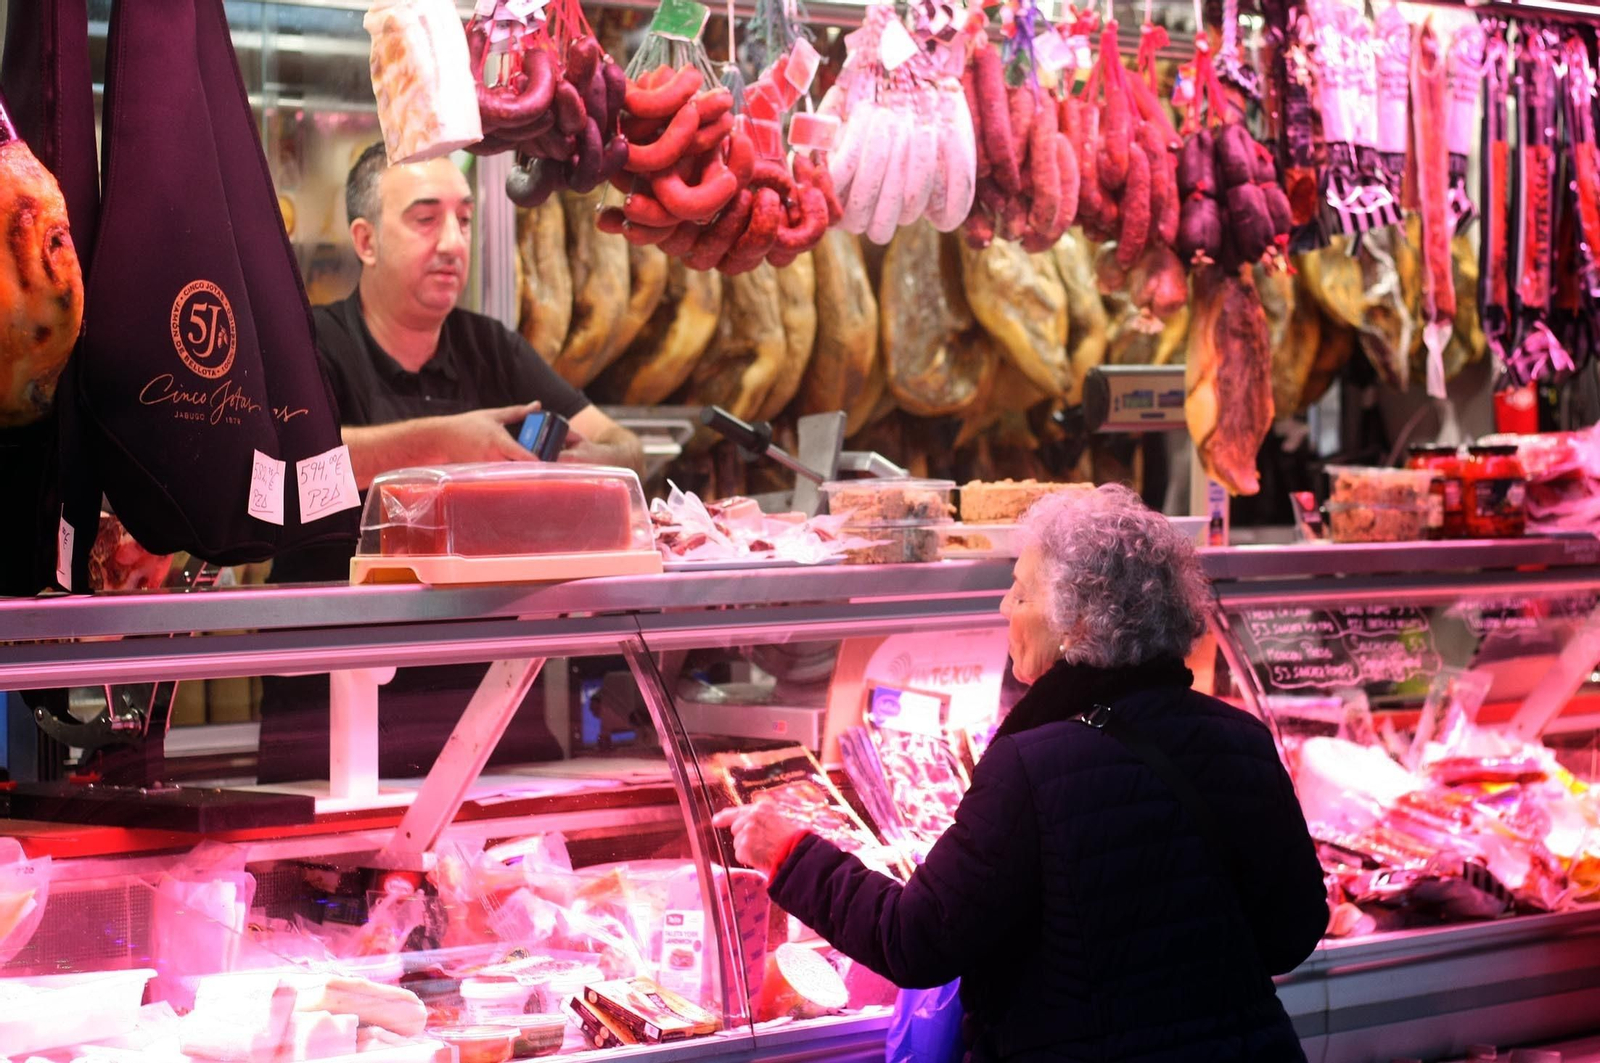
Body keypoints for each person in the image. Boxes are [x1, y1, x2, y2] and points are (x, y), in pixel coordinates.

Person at [715, 484, 1329, 1063]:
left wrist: (791, 854)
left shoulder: (1031, 765)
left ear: (1076, 624)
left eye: (1022, 591)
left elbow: (914, 939)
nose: (1006, 604)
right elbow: (1292, 931)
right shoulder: (1242, 737)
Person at [257, 143, 643, 782]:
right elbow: (284, 474)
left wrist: (563, 466)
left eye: (463, 219)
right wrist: (443, 444)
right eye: (425, 218)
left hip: (490, 713)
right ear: (367, 239)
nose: (453, 242)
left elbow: (627, 450)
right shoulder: (311, 347)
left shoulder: (491, 349)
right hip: (332, 718)